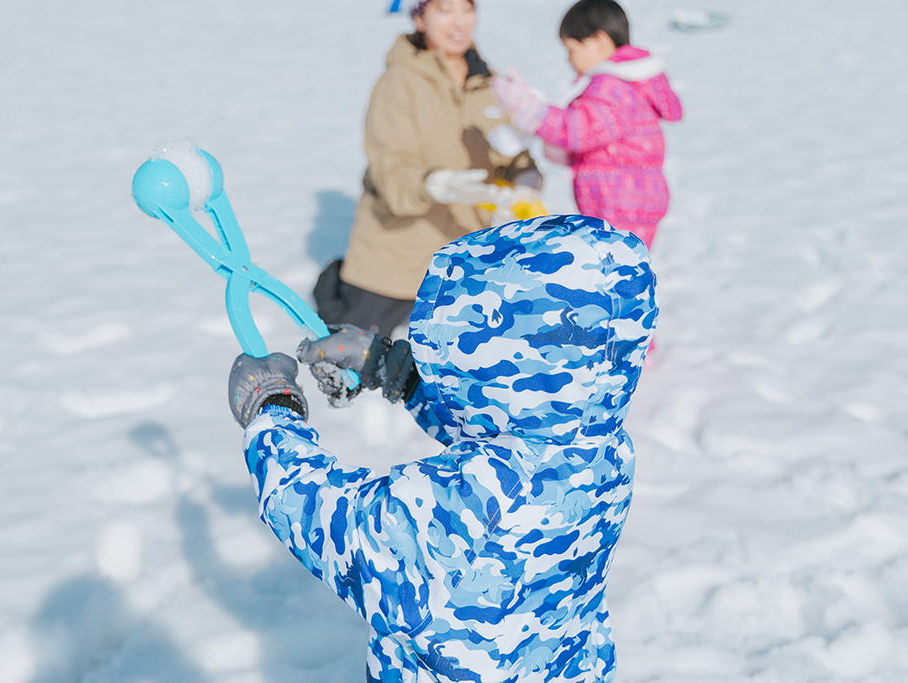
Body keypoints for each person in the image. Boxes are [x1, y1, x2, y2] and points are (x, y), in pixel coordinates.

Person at [228, 213, 658, 682]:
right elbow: (496, 431)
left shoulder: (479, 502)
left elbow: (339, 526)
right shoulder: (600, 447)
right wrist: (394, 368)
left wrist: (272, 411)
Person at [314, 0, 542, 339]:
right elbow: (390, 171)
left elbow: (516, 158)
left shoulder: (491, 84)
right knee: (352, 364)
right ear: (419, 17)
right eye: (444, 9)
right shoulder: (397, 83)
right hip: (396, 259)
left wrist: (525, 180)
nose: (459, 22)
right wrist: (434, 184)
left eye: (466, 9)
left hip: (468, 259)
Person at [491, 0, 682, 249]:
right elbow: (598, 137)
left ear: (600, 41)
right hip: (629, 200)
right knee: (624, 270)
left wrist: (533, 111)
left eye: (572, 49)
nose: (569, 59)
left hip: (619, 202)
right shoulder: (629, 84)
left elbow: (580, 129)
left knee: (614, 270)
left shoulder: (611, 87)